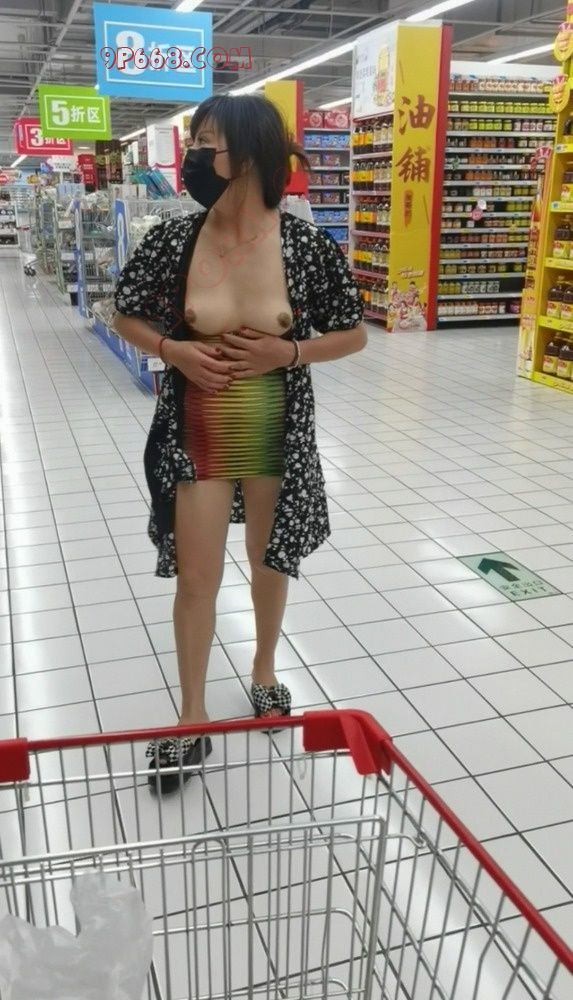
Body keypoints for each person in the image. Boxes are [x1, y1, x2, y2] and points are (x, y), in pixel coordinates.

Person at [113, 94, 367, 792]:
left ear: (250, 156)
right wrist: (173, 350)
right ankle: (190, 717)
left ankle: (263, 670)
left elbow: (352, 333)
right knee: (196, 577)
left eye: (207, 145)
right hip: (197, 426)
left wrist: (289, 353)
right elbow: (126, 313)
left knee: (268, 560)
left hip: (275, 427)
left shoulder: (303, 246)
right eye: (193, 143)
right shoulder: (174, 240)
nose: (193, 158)